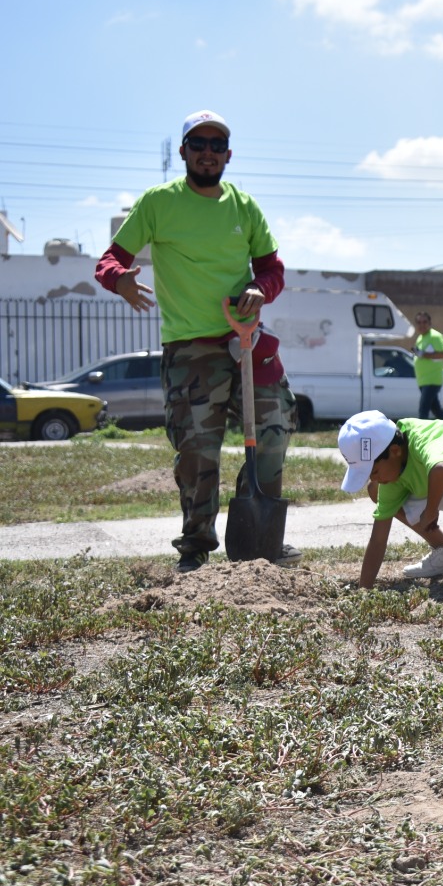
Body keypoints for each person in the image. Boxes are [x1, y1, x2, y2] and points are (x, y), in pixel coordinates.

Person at [95, 110, 300, 573]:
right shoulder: (158, 203)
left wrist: (260, 289)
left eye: (216, 145)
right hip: (191, 350)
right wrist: (119, 280)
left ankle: (259, 537)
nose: (208, 152)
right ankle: (196, 545)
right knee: (197, 448)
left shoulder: (244, 207)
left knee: (274, 428)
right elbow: (110, 259)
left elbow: (272, 269)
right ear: (184, 151)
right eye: (199, 144)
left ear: (228, 155)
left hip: (247, 342)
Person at [336, 410, 443, 592]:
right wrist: (363, 590)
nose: (374, 478)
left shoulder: (419, 439)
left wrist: (431, 510)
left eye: (375, 471)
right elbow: (378, 540)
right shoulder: (394, 465)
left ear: (395, 451)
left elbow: (441, 468)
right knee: (375, 490)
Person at [413, 312, 443, 419]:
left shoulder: (435, 336)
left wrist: (423, 354)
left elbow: (442, 354)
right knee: (437, 410)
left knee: (423, 410)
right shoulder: (420, 338)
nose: (422, 325)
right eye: (419, 322)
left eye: (424, 322)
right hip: (423, 381)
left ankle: (421, 429)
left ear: (430, 323)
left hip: (432, 380)